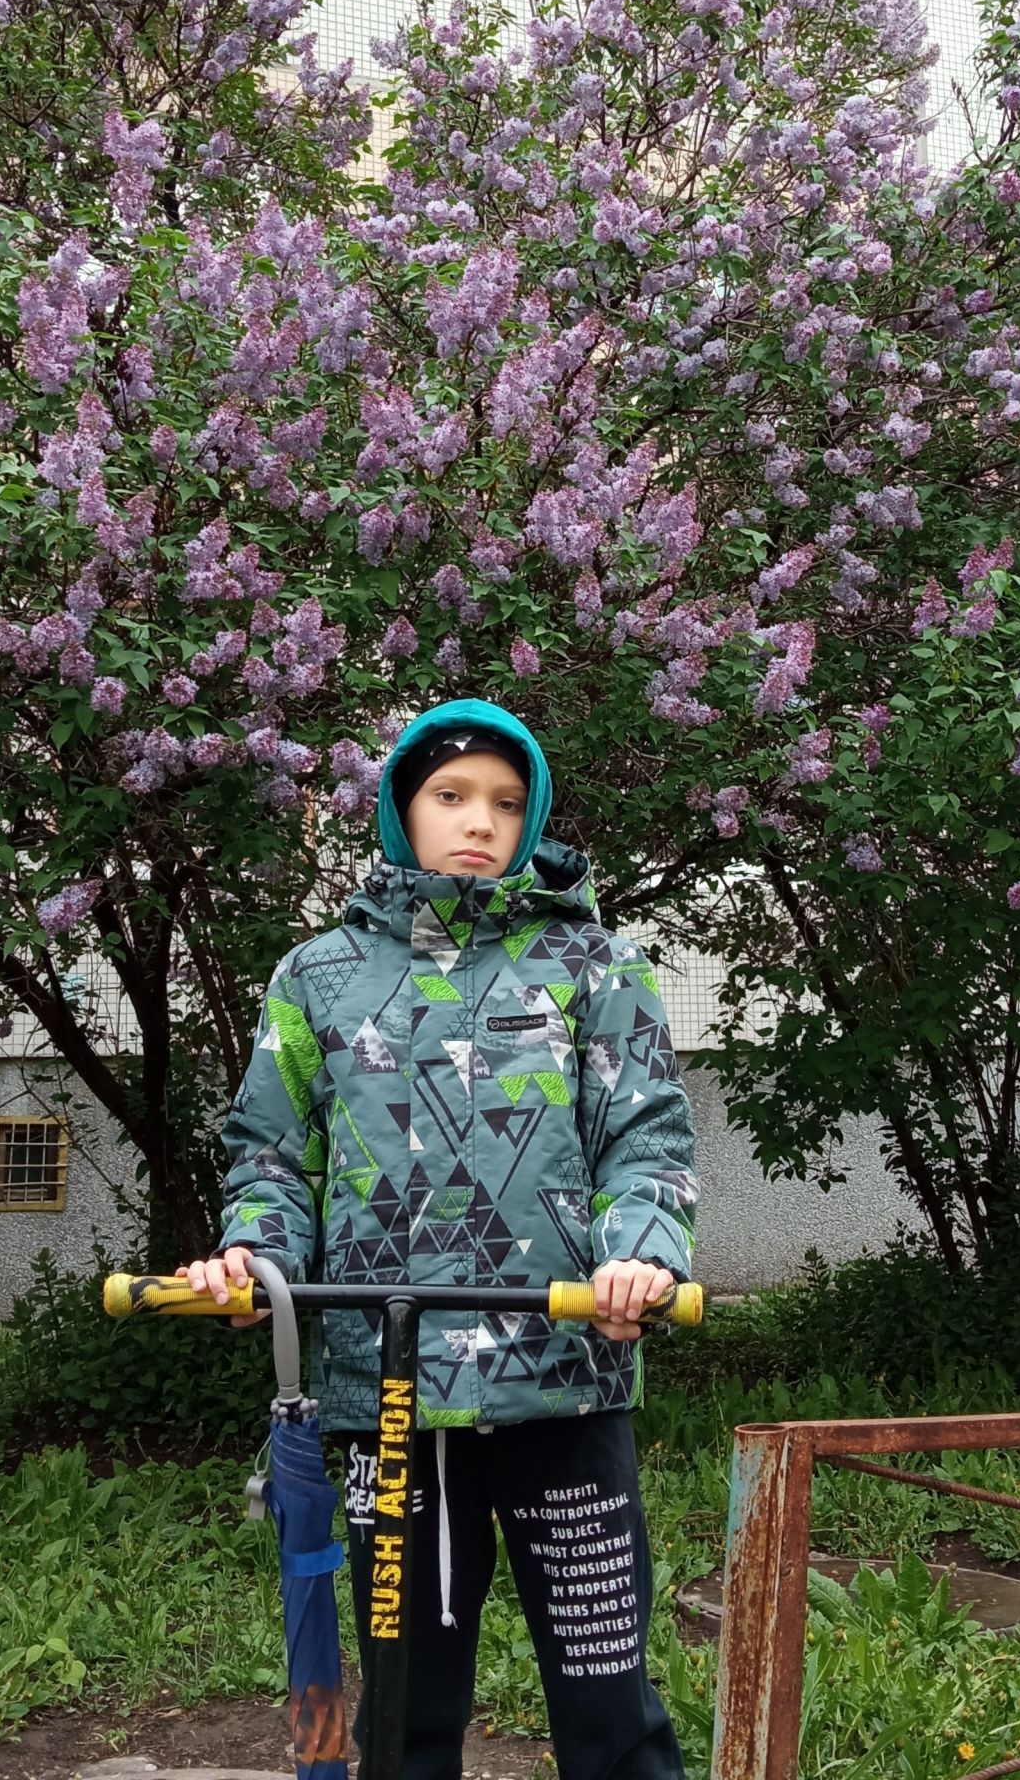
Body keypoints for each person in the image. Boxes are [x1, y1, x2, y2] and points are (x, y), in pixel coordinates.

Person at [184, 697, 698, 1780]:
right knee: (403, 1706)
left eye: (506, 803)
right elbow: (271, 1154)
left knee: (610, 1704)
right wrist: (254, 1259)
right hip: (389, 1389)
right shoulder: (319, 975)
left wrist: (641, 1253)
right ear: (400, 810)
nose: (479, 822)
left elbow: (643, 1139)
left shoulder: (594, 965)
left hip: (562, 1375)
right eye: (451, 795)